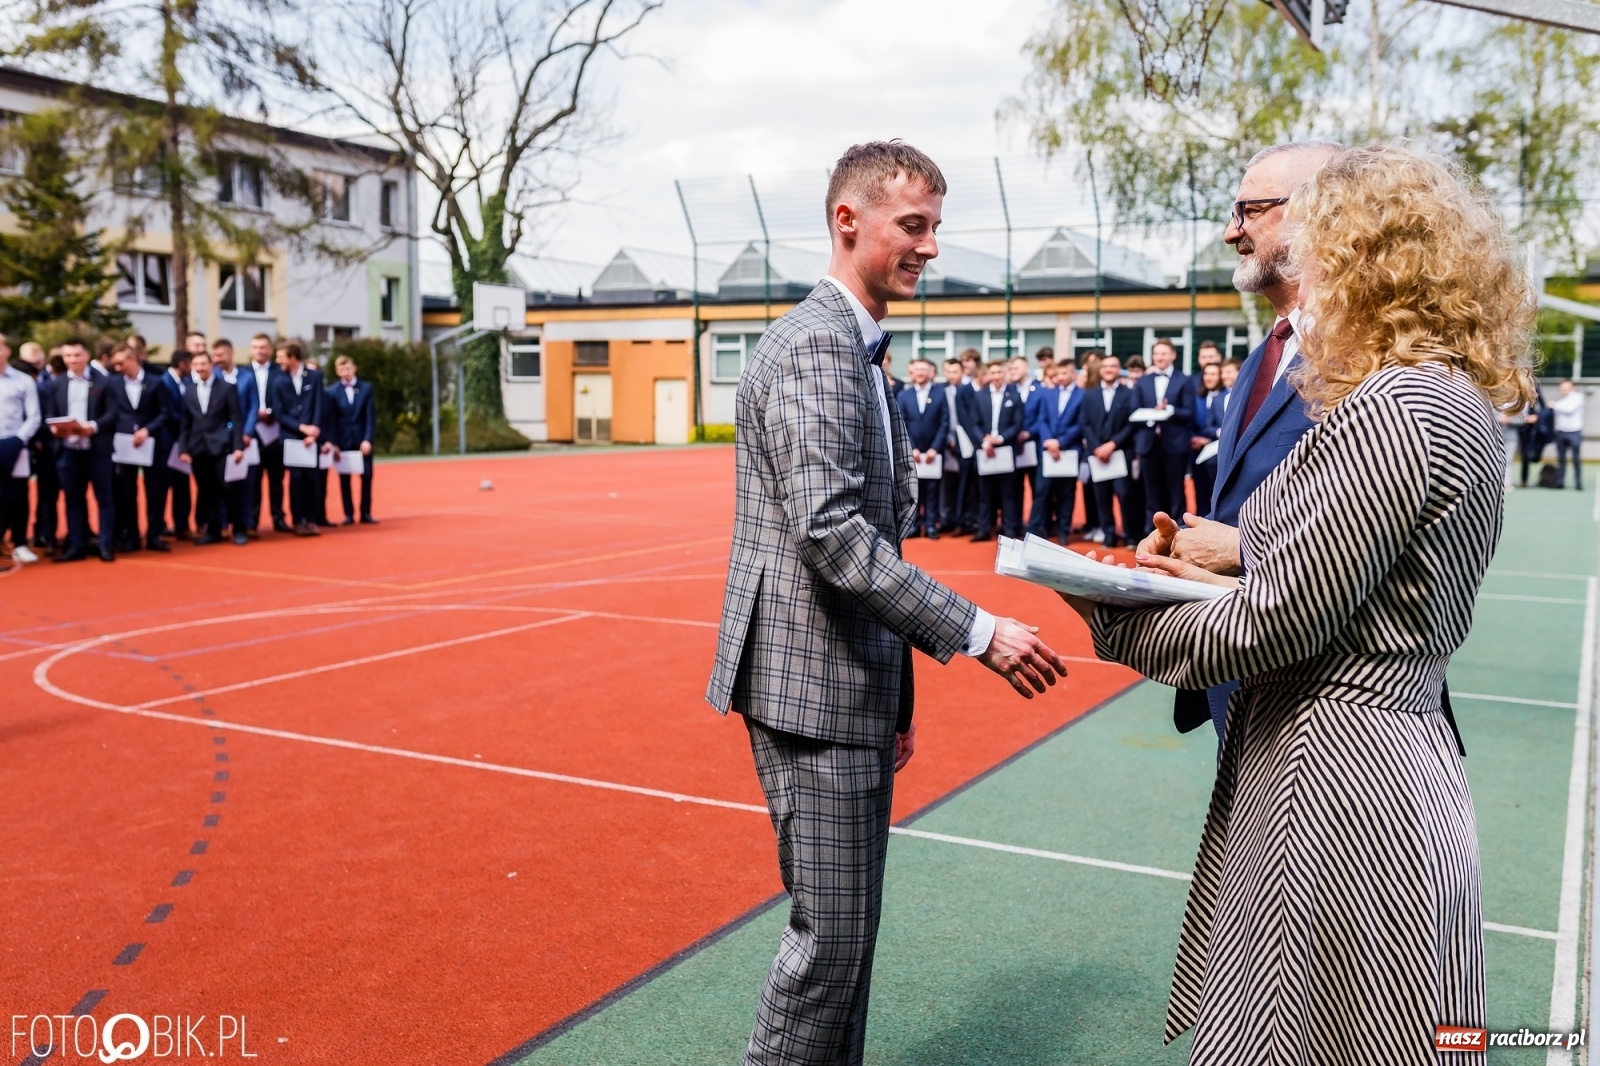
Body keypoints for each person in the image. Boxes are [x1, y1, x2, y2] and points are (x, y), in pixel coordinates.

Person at [1067, 142, 1531, 1066]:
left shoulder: (1399, 404)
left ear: (1358, 250)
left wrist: (1113, 608)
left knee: (1305, 1036)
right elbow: (1334, 581)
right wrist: (1208, 567)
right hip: (1357, 766)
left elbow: (1274, 621)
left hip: (1338, 793)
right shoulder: (1435, 394)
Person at [705, 141, 1067, 1066]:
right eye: (913, 225)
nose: (930, 247)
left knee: (847, 940)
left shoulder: (861, 347)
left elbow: (873, 537)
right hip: (811, 693)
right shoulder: (820, 346)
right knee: (827, 948)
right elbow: (833, 536)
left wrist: (897, 702)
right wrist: (980, 632)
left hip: (848, 691)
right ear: (847, 221)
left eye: (936, 227)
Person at [1143, 141, 1341, 738]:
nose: (1233, 233)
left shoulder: (1376, 363)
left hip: (1326, 703)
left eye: (1250, 210)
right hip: (1245, 673)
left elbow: (1359, 541)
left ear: (1319, 212)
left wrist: (1236, 550)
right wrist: (1190, 549)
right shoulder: (1262, 359)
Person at [41, 339, 116, 562]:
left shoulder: (105, 382)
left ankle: (105, 545)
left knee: (104, 498)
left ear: (86, 355)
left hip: (96, 449)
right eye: (68, 356)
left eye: (77, 355)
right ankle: (77, 544)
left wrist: (91, 427)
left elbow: (112, 414)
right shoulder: (57, 383)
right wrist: (56, 429)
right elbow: (50, 413)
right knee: (73, 499)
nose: (73, 360)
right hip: (68, 451)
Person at [103, 342, 172, 553]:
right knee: (126, 493)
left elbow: (165, 412)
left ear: (133, 360)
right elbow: (111, 412)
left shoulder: (156, 382)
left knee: (155, 493)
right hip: (124, 446)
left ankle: (154, 535)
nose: (117, 368)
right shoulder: (112, 383)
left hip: (151, 445)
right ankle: (130, 536)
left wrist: (147, 430)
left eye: (120, 363)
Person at [178, 348, 246, 545]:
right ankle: (213, 530)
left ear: (211, 365)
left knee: (229, 490)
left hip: (222, 447)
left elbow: (235, 419)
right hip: (198, 448)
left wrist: (237, 445)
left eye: (203, 364)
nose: (200, 368)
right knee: (206, 492)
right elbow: (185, 422)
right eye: (196, 364)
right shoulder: (188, 390)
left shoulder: (227, 387)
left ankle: (238, 528)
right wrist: (183, 448)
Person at [1132, 338, 1195, 535]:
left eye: (1164, 353)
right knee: (1151, 492)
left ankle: (1179, 534)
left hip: (1174, 444)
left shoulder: (1184, 380)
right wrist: (1153, 414)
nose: (1160, 357)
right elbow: (1133, 411)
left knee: (1176, 492)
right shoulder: (1142, 381)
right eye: (1157, 353)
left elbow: (1189, 413)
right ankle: (1150, 534)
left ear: (1173, 355)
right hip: (1149, 444)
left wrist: (1169, 410)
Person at [271, 340, 325, 536]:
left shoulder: (315, 376)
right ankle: (298, 520)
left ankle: (312, 519)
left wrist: (314, 431)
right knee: (296, 479)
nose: (278, 361)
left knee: (312, 479)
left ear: (293, 357)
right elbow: (279, 411)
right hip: (291, 437)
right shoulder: (278, 380)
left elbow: (319, 405)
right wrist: (302, 428)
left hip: (312, 438)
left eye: (281, 357)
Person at [1080, 354, 1135, 546]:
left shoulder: (1129, 393)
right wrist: (1097, 448)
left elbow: (1131, 423)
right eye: (1105, 367)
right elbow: (1085, 424)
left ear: (1119, 369)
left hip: (1120, 452)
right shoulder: (1089, 395)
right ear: (1100, 370)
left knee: (1125, 495)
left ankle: (1130, 536)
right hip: (1097, 456)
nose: (1109, 369)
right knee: (1101, 498)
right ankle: (1109, 535)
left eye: (1113, 366)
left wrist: (1113, 444)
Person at [968, 359, 1024, 542]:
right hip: (985, 451)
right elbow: (973, 423)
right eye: (993, 373)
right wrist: (985, 442)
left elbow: (1017, 424)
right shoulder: (979, 395)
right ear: (988, 375)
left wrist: (999, 439)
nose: (996, 376)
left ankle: (1009, 530)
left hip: (1006, 450)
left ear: (1004, 374)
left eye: (999, 372)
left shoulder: (1014, 396)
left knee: (1008, 493)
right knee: (984, 493)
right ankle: (984, 529)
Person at [1027, 361, 1081, 543]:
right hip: (1047, 451)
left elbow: (1080, 424)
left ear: (1073, 374)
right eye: (1058, 373)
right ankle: (1034, 529)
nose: (1060, 377)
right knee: (1041, 491)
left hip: (1069, 450)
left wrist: (1060, 442)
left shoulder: (1082, 395)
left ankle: (1063, 530)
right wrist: (1049, 442)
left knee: (1066, 493)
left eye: (1065, 373)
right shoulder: (1049, 394)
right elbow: (1041, 419)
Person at [0, 332, 41, 565]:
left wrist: (18, 440)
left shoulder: (22, 381)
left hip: (16, 445)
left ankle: (20, 543)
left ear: (7, 351)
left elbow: (34, 416)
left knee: (18, 495)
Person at [896, 355, 946, 538]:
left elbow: (944, 423)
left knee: (933, 491)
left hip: (933, 453)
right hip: (913, 452)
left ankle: (931, 524)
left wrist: (935, 448)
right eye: (916, 370)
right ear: (912, 373)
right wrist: (912, 448)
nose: (920, 373)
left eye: (923, 370)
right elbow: (901, 423)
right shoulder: (904, 395)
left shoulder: (940, 394)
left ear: (930, 373)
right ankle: (915, 524)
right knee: (913, 491)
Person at [326, 353, 378, 525]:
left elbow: (370, 416)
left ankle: (365, 513)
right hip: (343, 441)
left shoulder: (366, 388)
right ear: (337, 371)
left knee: (367, 477)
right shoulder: (332, 392)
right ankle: (348, 514)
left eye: (347, 368)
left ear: (354, 368)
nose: (345, 372)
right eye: (341, 370)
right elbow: (331, 420)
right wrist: (334, 443)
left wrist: (368, 439)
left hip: (362, 439)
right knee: (344, 479)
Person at [244, 333, 289, 533]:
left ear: (270, 350)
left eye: (263, 347)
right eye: (256, 347)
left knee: (277, 480)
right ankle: (251, 521)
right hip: (252, 434)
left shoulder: (280, 372)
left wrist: (272, 413)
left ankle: (278, 518)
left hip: (276, 432)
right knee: (252, 481)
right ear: (251, 350)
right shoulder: (243, 373)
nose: (260, 350)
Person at [159, 343, 199, 539]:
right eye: (190, 364)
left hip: (184, 442)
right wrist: (190, 423)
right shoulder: (163, 382)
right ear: (182, 364)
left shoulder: (190, 382)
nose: (192, 368)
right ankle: (159, 525)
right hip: (168, 441)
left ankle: (181, 525)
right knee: (162, 485)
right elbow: (167, 412)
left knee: (182, 485)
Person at [938, 356, 977, 535]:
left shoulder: (969, 390)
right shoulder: (941, 390)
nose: (951, 375)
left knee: (966, 484)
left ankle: (965, 520)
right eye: (948, 372)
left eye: (955, 372)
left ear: (962, 372)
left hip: (968, 443)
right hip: (947, 443)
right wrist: (948, 439)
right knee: (948, 484)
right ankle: (949, 518)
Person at [1189, 361, 1223, 518]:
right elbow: (1189, 420)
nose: (1209, 377)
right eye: (1206, 374)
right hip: (1196, 449)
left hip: (1218, 450)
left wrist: (1209, 441)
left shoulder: (1228, 397)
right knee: (1199, 489)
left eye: (1213, 374)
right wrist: (1193, 438)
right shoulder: (1196, 397)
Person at [1551, 378, 1584, 489]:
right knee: (1561, 459)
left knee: (1576, 459)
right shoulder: (1560, 400)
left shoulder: (1578, 397)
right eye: (1562, 387)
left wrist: (1554, 405)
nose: (1563, 389)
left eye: (1566, 387)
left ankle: (1578, 482)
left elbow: (1569, 409)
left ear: (1572, 387)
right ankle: (1560, 482)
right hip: (1561, 432)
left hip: (1574, 432)